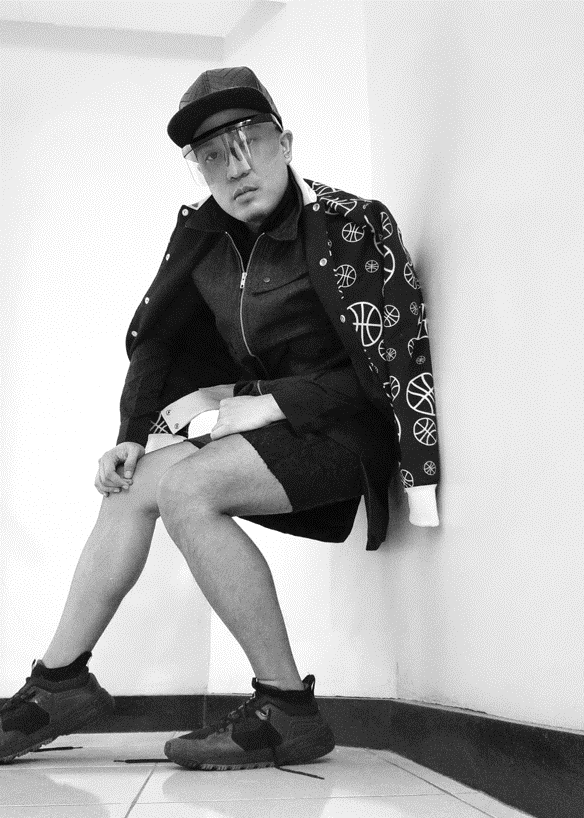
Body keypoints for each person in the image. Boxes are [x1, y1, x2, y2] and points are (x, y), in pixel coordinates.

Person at [0, 67, 440, 772]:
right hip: (265, 427)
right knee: (137, 484)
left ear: (285, 143)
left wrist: (271, 404)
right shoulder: (204, 238)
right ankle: (59, 684)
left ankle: (287, 707)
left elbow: (389, 363)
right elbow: (160, 342)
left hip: (343, 429)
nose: (235, 168)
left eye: (249, 142)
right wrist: (131, 436)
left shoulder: (353, 225)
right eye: (212, 155)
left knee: (189, 489)